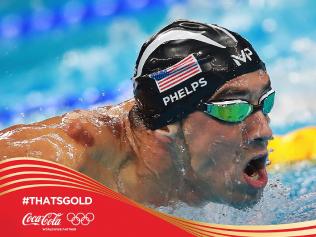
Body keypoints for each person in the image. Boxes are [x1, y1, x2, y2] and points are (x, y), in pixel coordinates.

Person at [0, 20, 274, 207]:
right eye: (233, 109)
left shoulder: (198, 178)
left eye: (265, 102)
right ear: (168, 123)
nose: (264, 131)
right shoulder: (55, 167)